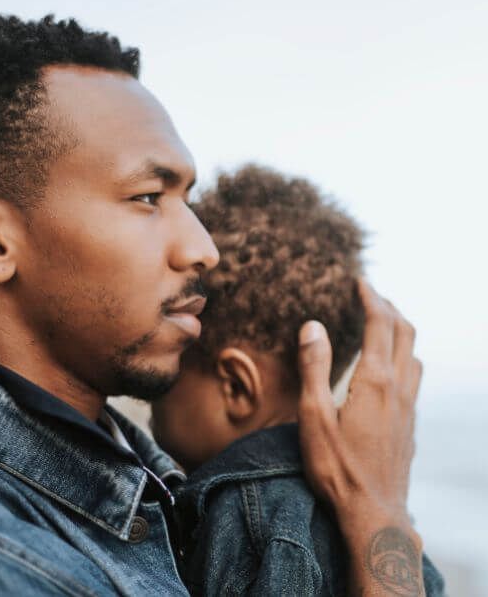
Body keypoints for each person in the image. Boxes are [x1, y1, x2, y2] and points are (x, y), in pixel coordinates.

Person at [0, 15, 426, 596]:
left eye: (187, 199)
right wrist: (379, 517)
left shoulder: (151, 481)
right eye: (148, 197)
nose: (204, 248)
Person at [150, 165, 444, 596]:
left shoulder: (247, 516)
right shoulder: (380, 520)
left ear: (237, 386)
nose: (160, 381)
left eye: (176, 352)